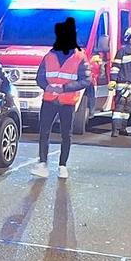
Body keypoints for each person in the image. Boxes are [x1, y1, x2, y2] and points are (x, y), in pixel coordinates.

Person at [31, 17, 92, 180]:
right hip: (49, 99)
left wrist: (64, 88)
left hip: (67, 101)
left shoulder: (80, 57)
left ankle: (62, 165)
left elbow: (86, 80)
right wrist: (47, 86)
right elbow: (40, 77)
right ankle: (43, 163)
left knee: (66, 134)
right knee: (44, 132)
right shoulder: (49, 55)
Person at [109, 26, 131, 137]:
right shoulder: (122, 51)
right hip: (122, 83)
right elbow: (115, 67)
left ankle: (123, 128)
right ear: (127, 39)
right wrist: (113, 81)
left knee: (128, 108)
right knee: (119, 107)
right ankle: (115, 130)